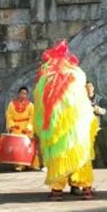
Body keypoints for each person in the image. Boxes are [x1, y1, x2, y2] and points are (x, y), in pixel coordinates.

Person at [34, 41, 95, 200]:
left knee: (58, 154)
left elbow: (40, 105)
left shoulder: (45, 76)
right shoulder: (77, 74)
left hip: (54, 126)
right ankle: (84, 187)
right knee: (79, 152)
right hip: (77, 125)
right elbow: (84, 100)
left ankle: (57, 190)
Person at [69, 81, 106, 196]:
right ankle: (76, 185)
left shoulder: (98, 98)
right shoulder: (78, 100)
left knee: (89, 157)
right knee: (79, 161)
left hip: (94, 130)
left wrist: (96, 108)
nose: (88, 88)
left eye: (90, 86)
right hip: (80, 134)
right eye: (86, 87)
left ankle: (85, 184)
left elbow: (104, 111)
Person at [6, 86, 40, 171]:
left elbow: (32, 117)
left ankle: (33, 164)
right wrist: (11, 125)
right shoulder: (11, 104)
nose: (23, 95)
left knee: (29, 146)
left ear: (27, 95)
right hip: (16, 127)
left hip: (26, 128)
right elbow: (9, 116)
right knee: (17, 147)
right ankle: (19, 165)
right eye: (21, 93)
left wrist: (29, 127)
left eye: (25, 94)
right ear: (18, 94)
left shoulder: (31, 105)